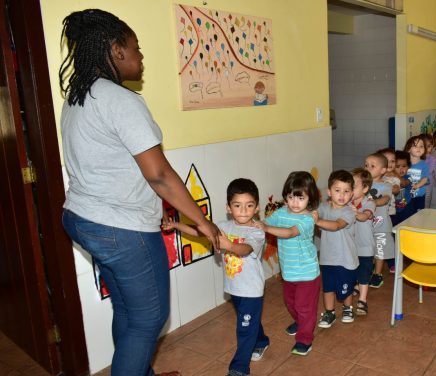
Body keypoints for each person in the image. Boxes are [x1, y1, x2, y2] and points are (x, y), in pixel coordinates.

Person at [58, 9, 220, 376]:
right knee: (150, 319)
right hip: (120, 228)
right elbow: (160, 175)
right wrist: (203, 223)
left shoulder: (79, 98)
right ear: (116, 50)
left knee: (130, 312)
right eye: (136, 48)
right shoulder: (122, 101)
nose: (141, 56)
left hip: (83, 218)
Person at [164, 179, 268, 376]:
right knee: (249, 320)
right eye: (237, 206)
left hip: (252, 289)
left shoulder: (257, 231)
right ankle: (261, 341)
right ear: (228, 208)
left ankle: (239, 368)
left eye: (249, 205)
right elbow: (198, 231)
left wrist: (228, 245)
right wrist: (176, 224)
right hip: (234, 287)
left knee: (244, 328)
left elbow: (244, 250)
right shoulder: (222, 226)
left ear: (257, 207)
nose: (244, 211)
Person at [255, 171, 320, 356]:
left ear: (310, 198)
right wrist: (257, 224)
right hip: (288, 272)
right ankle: (300, 321)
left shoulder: (308, 219)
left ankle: (304, 339)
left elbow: (290, 232)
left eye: (300, 198)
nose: (295, 202)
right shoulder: (282, 212)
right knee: (291, 303)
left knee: (304, 307)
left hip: (307, 273)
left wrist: (266, 228)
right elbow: (266, 221)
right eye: (291, 197)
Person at [314, 170, 358, 327]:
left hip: (346, 259)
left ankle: (347, 308)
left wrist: (317, 221)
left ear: (352, 194)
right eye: (337, 190)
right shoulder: (323, 207)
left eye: (346, 191)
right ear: (329, 192)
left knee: (346, 288)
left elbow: (337, 225)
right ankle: (329, 312)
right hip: (327, 258)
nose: (342, 195)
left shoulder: (349, 211)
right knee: (328, 288)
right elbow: (312, 212)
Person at [364, 153, 395, 288]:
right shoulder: (362, 183)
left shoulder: (386, 185)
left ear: (383, 170)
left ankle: (378, 274)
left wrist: (374, 202)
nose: (367, 168)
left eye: (372, 166)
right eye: (366, 165)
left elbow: (386, 199)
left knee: (380, 250)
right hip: (365, 224)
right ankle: (367, 270)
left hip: (381, 225)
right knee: (366, 248)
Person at [350, 168, 375, 316]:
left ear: (365, 188)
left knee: (364, 274)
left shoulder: (369, 203)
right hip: (351, 247)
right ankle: (356, 286)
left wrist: (354, 212)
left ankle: (363, 300)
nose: (349, 190)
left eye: (353, 186)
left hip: (365, 247)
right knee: (353, 270)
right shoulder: (347, 203)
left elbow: (364, 217)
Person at [404, 136, 429, 213]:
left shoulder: (424, 164)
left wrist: (417, 185)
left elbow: (425, 178)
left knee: (418, 215)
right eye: (415, 146)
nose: (419, 148)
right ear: (408, 149)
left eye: (421, 146)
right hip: (406, 196)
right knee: (407, 215)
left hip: (419, 196)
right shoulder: (404, 164)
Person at [391, 150, 413, 226]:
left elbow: (403, 184)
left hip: (406, 208)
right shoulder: (390, 179)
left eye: (404, 166)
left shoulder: (409, 178)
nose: (401, 169)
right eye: (397, 167)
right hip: (394, 209)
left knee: (405, 226)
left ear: (408, 166)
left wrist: (394, 174)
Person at [421, 134, 436, 210]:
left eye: (429, 146)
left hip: (427, 185)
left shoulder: (432, 158)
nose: (427, 148)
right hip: (417, 186)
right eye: (423, 146)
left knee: (426, 203)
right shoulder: (416, 157)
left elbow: (428, 171)